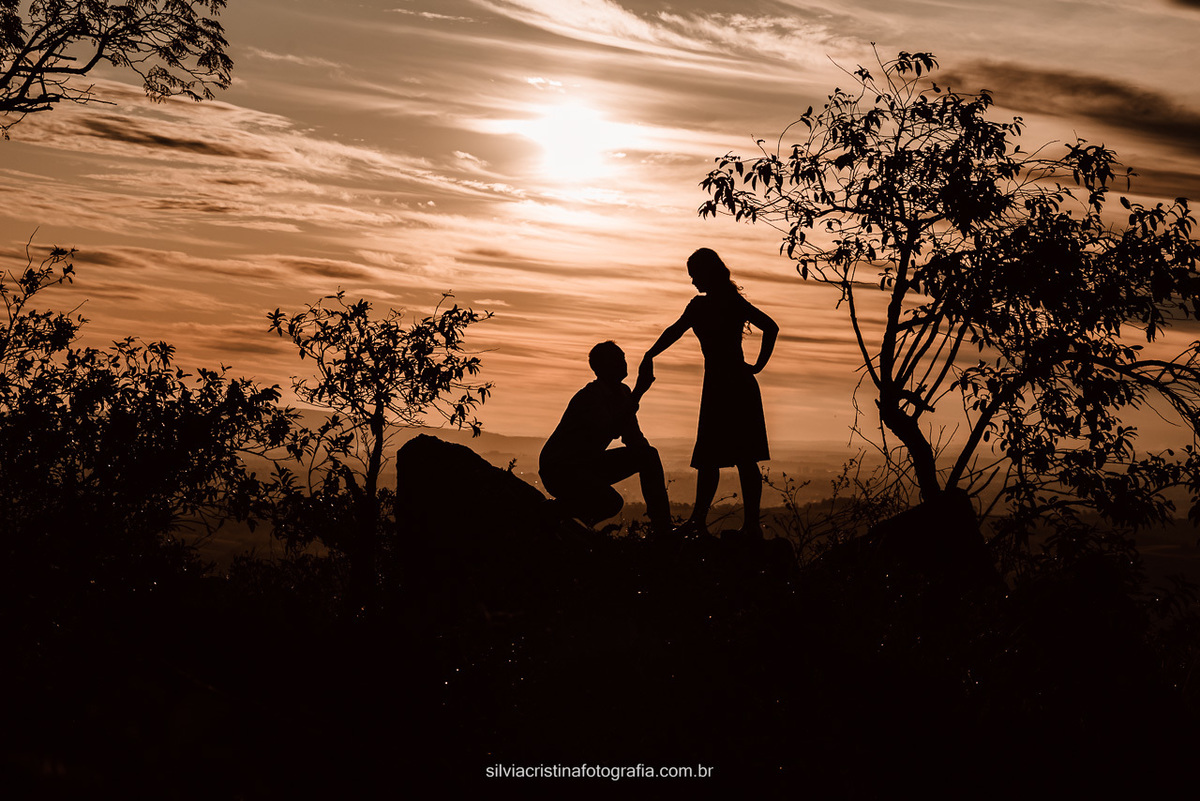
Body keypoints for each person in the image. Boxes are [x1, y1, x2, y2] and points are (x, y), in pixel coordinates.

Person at [640, 248, 778, 538]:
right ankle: (712, 522)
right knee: (726, 457)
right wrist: (650, 353)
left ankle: (722, 523)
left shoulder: (709, 305)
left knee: (723, 457)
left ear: (706, 273)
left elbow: (771, 327)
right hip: (731, 383)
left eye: (694, 276)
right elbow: (674, 331)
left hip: (728, 385)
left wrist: (758, 366)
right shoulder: (722, 303)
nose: (692, 282)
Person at [539, 341, 671, 535]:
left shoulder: (622, 393)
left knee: (646, 458)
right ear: (602, 367)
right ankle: (554, 514)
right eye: (618, 359)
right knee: (610, 501)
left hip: (584, 464)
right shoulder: (589, 397)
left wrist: (647, 461)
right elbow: (608, 427)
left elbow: (634, 438)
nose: (624, 363)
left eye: (623, 358)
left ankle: (662, 528)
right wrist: (638, 393)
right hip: (561, 469)